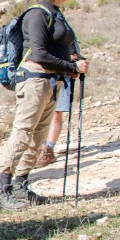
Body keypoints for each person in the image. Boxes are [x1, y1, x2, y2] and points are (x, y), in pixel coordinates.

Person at [0, 0, 89, 211]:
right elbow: (39, 53)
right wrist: (71, 67)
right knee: (23, 131)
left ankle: (21, 185)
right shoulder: (37, 13)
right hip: (35, 80)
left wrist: (71, 65)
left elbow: (57, 49)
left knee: (37, 136)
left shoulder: (56, 13)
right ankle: (2, 189)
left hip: (51, 81)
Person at [36, 38, 83, 167]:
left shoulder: (61, 30)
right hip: (42, 75)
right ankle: (42, 148)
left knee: (56, 113)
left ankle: (48, 148)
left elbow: (73, 55)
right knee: (43, 115)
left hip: (59, 74)